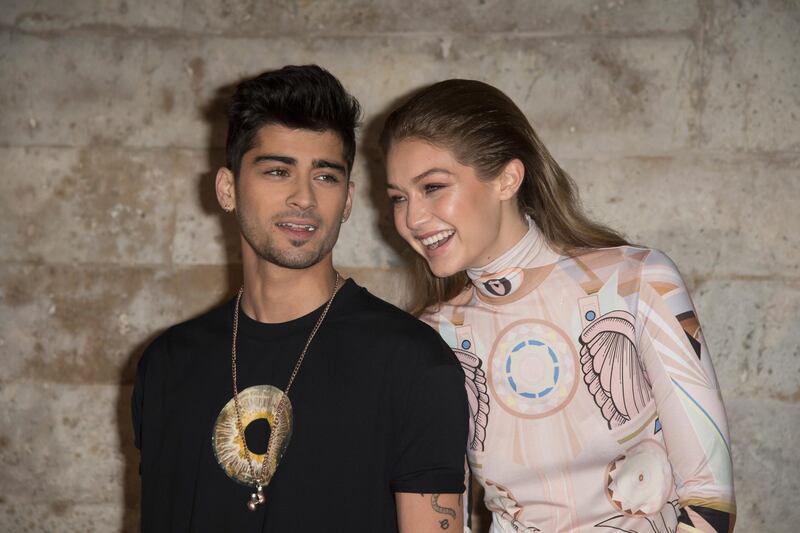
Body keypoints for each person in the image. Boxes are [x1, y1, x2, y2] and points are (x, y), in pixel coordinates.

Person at [380, 79, 735, 533]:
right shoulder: (433, 336)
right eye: (398, 198)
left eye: (432, 187)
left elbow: (710, 498)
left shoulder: (636, 282)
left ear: (507, 178)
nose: (411, 219)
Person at [132, 65, 468, 533]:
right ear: (227, 189)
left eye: (326, 177)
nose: (303, 198)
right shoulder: (166, 365)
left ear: (348, 200)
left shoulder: (412, 364)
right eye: (276, 171)